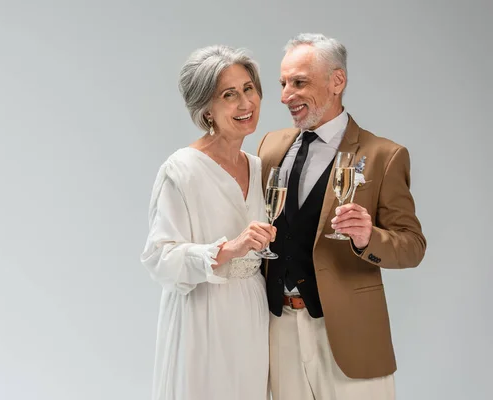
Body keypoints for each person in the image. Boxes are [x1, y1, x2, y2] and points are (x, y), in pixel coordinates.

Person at [257, 33, 427, 400]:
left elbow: (412, 246)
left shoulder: (384, 155)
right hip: (278, 328)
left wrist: (369, 238)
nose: (286, 95)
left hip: (349, 333)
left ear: (337, 81)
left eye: (299, 82)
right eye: (283, 83)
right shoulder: (270, 146)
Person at [141, 45, 276, 400]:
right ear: (206, 110)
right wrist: (230, 248)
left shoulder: (257, 166)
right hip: (202, 316)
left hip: (251, 313)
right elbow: (159, 259)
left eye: (249, 89)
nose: (245, 103)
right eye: (228, 95)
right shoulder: (180, 170)